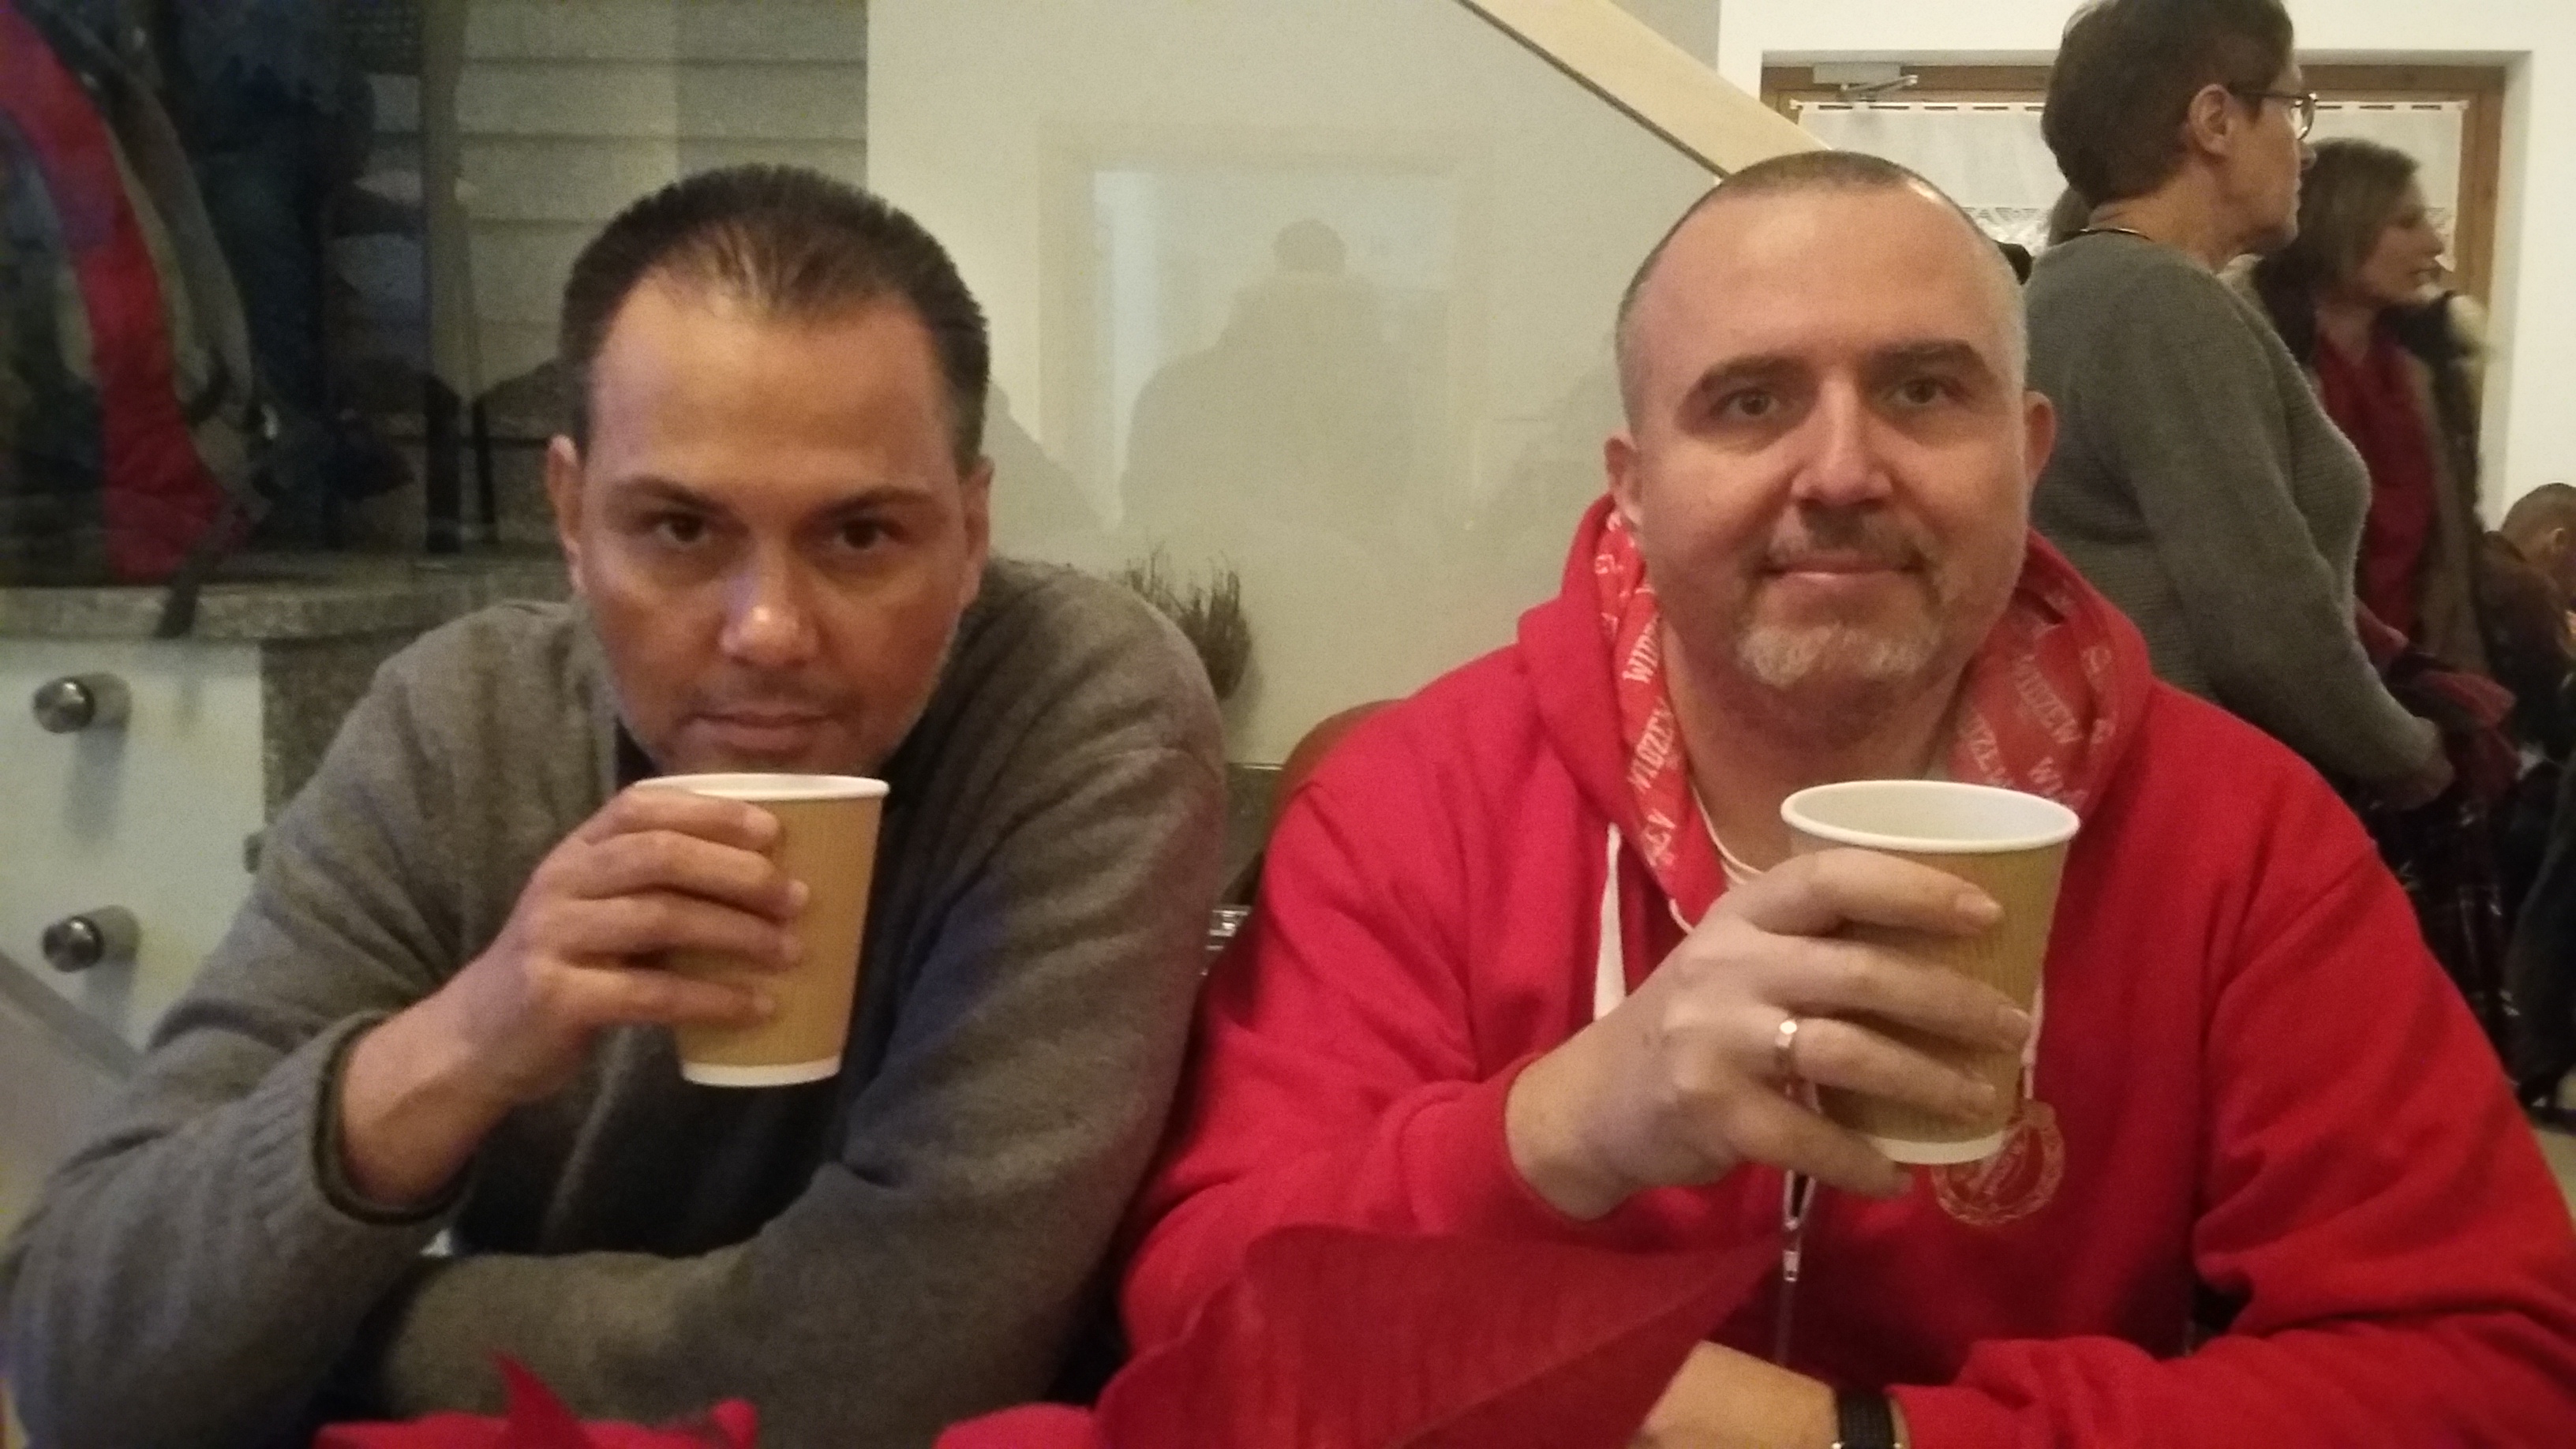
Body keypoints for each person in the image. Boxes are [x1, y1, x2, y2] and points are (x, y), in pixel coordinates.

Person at [1113, 152, 2576, 1447]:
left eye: (1922, 390)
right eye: (1748, 402)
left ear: (2029, 454)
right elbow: (1196, 1323)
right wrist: (1558, 1126)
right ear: (1632, 484)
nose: (1840, 471)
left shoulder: (2237, 838)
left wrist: (1860, 1438)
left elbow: (2498, 1373)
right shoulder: (1415, 805)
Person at [0, 165, 1226, 1447]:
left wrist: (331, 1335)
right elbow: (81, 1361)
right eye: (680, 529)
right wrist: (461, 1042)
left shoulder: (1077, 708)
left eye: (861, 535)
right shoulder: (460, 730)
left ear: (970, 536)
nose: (769, 630)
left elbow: (901, 1367)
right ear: (572, 519)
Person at [2025, 0, 2453, 811]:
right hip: (2189, 794)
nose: (2304, 146)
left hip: (2133, 777)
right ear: (2215, 121)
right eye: (2293, 105)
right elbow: (2262, 621)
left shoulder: (2069, 286)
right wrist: (2413, 757)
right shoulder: (2160, 304)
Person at [2245, 137, 2488, 672]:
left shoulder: (2433, 366)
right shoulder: (2252, 356)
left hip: (2416, 667)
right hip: (2294, 672)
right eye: (2407, 223)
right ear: (2338, 227)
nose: (2433, 244)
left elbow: (2451, 549)